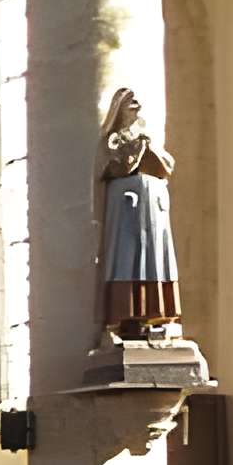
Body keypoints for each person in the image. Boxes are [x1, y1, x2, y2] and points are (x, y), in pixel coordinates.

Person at [98, 85, 181, 338]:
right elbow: (119, 166)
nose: (137, 107)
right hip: (125, 210)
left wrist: (148, 146)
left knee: (154, 261)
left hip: (152, 211)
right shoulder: (114, 139)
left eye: (138, 103)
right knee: (127, 261)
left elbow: (166, 165)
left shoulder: (147, 136)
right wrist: (137, 148)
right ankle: (126, 319)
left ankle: (154, 317)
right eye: (131, 103)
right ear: (119, 108)